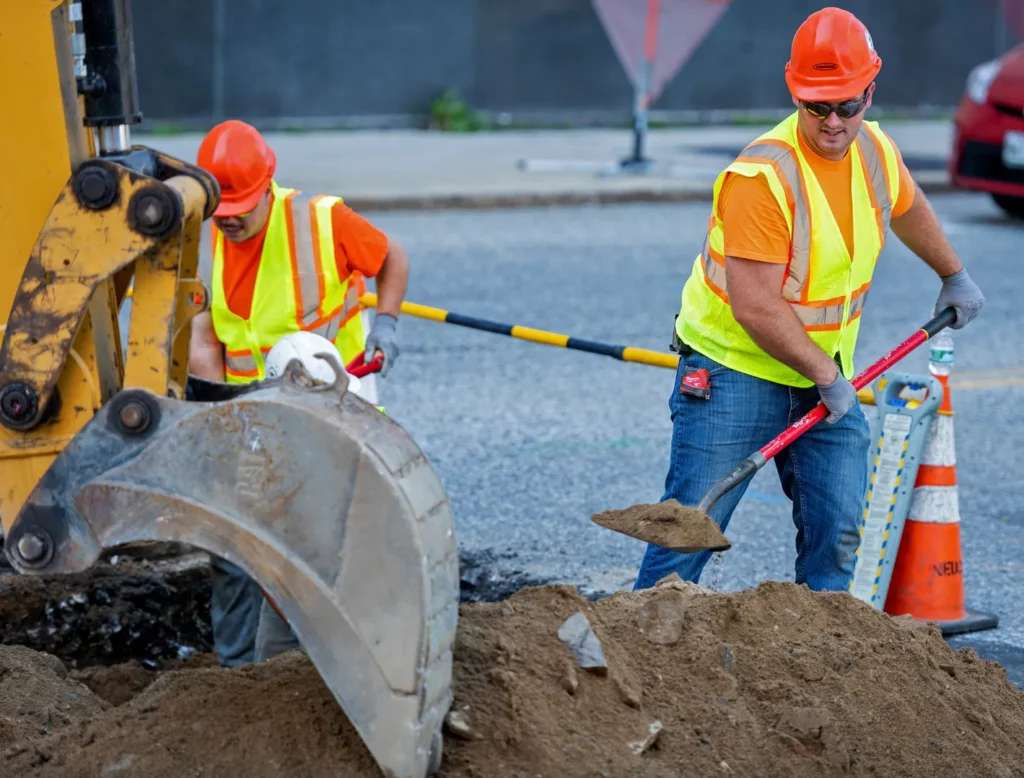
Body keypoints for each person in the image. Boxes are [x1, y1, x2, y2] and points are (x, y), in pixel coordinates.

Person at [633, 7, 986, 593]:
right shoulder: (762, 178)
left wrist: (954, 273)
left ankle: (822, 666)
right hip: (735, 373)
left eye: (846, 105)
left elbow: (908, 203)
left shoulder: (873, 149)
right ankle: (635, 652)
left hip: (824, 375)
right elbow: (756, 306)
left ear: (869, 93)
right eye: (816, 106)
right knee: (691, 530)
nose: (832, 121)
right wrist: (827, 376)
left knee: (839, 530)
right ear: (795, 93)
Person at [188, 119, 410, 666]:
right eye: (223, 209)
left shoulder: (319, 221)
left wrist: (386, 324)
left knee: (315, 546)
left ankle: (338, 657)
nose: (231, 220)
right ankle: (245, 675)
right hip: (250, 420)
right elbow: (202, 336)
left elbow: (391, 259)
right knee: (236, 547)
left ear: (267, 187)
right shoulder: (203, 236)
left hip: (332, 412)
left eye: (241, 206)